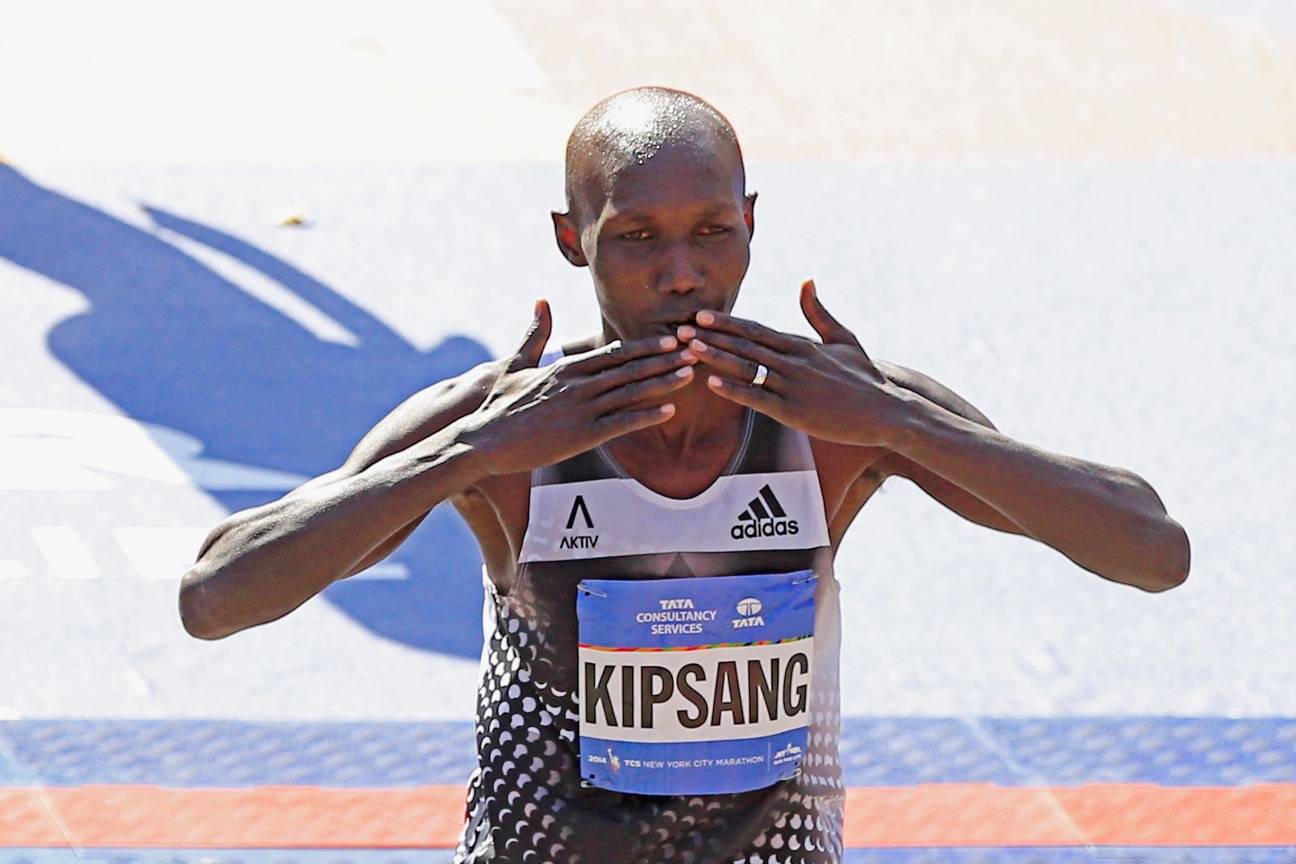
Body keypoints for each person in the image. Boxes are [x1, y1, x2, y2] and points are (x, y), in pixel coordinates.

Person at [178, 87, 1190, 864]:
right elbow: (216, 594)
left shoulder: (842, 417)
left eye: (713, 232)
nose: (682, 274)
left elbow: (1154, 551)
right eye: (636, 239)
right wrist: (468, 455)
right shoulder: (502, 430)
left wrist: (898, 422)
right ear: (572, 240)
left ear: (751, 223)